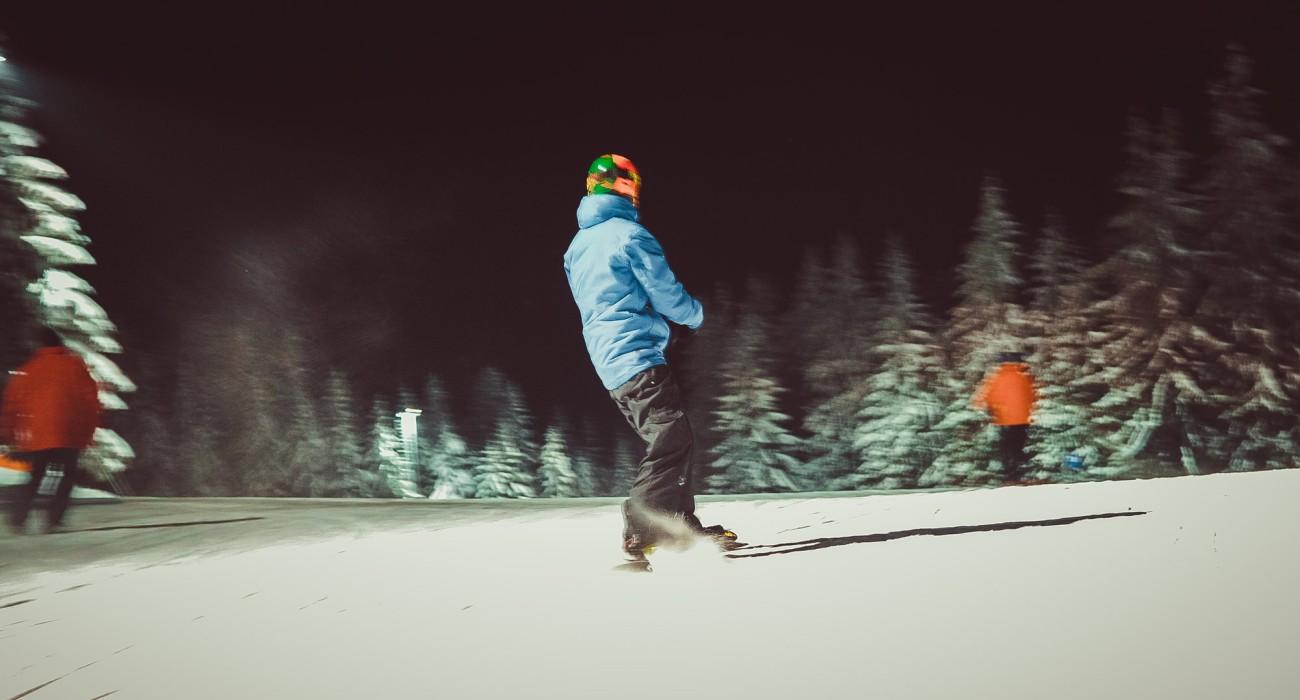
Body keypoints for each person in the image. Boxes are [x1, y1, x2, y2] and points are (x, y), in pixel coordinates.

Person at [563, 153, 736, 561]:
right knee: (670, 436)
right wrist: (695, 316)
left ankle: (678, 521)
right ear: (625, 187)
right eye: (632, 185)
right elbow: (665, 292)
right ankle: (640, 527)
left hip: (608, 361)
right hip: (636, 352)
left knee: (673, 435)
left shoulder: (576, 247)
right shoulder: (628, 235)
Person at [1, 328, 102, 534]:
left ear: (40, 345)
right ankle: (53, 520)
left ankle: (18, 519)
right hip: (70, 433)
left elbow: (13, 403)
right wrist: (89, 432)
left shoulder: (31, 368)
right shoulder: (75, 365)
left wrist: (7, 433)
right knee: (67, 476)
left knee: (36, 475)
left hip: (39, 434)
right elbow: (90, 402)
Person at [972, 352, 1038, 484]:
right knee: (1021, 447)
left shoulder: (996, 377)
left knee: (1006, 448)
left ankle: (1010, 476)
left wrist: (985, 410)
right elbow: (1036, 395)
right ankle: (1023, 474)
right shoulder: (1026, 376)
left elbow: (981, 397)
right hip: (1025, 419)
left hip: (1003, 419)